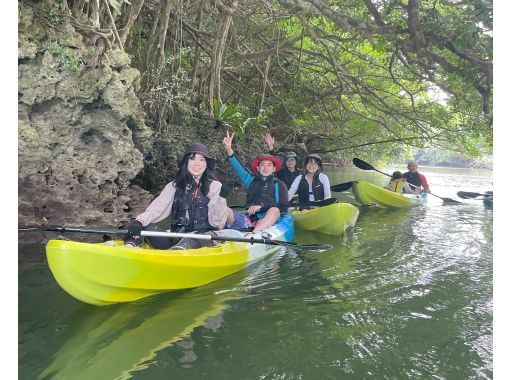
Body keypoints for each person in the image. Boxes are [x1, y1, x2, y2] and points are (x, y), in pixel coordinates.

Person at [124, 143, 231, 249]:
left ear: (206, 164)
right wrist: (139, 222)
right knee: (143, 226)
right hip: (177, 238)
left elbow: (217, 222)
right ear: (186, 162)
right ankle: (129, 247)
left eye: (202, 159)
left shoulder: (215, 186)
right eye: (192, 159)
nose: (197, 163)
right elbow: (156, 208)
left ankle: (177, 253)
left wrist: (222, 197)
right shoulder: (174, 186)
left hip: (206, 238)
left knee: (190, 240)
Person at [222, 131, 289, 232]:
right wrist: (228, 149)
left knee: (274, 210)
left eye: (269, 165)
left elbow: (283, 207)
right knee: (224, 209)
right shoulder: (250, 179)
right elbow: (238, 166)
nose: (265, 167)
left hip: (269, 221)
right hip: (248, 220)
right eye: (262, 165)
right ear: (258, 168)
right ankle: (216, 235)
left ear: (274, 169)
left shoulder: (279, 184)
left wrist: (261, 206)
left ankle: (254, 234)